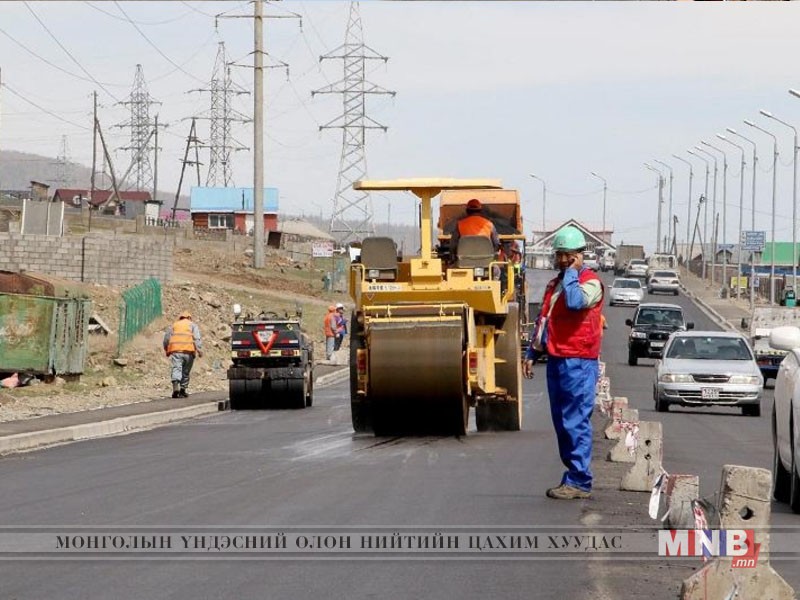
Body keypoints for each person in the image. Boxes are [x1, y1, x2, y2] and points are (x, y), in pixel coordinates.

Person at [522, 225, 604, 500]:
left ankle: (580, 481)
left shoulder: (590, 283)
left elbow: (575, 302)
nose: (562, 260)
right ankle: (574, 476)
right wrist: (532, 353)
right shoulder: (555, 284)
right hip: (558, 359)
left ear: (578, 256)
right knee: (562, 423)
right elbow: (544, 320)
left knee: (575, 422)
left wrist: (571, 273)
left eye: (567, 255)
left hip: (578, 362)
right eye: (559, 255)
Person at [163, 310, 203, 398]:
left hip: (176, 351)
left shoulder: (174, 325)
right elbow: (197, 338)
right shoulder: (192, 325)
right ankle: (182, 390)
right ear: (189, 318)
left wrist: (166, 350)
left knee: (176, 368)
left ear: (180, 318)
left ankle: (175, 387)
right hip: (189, 351)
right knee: (186, 371)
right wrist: (199, 350)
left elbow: (166, 339)